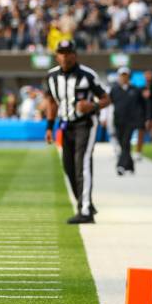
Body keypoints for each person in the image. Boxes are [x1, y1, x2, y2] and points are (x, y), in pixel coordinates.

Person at [44, 40, 111, 224]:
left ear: (75, 54)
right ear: (57, 55)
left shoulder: (87, 75)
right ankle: (85, 202)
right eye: (61, 53)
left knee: (82, 164)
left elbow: (106, 98)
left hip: (85, 124)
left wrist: (93, 105)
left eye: (68, 52)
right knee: (68, 166)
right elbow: (50, 102)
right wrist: (49, 127)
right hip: (65, 124)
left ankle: (86, 210)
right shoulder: (51, 76)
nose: (65, 56)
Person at [110, 67, 145, 175]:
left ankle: (120, 166)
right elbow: (109, 104)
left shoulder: (135, 90)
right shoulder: (114, 89)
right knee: (123, 144)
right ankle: (130, 166)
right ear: (119, 77)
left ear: (129, 76)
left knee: (126, 142)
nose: (124, 77)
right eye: (122, 75)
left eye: (126, 75)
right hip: (118, 121)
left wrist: (143, 119)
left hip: (131, 121)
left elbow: (142, 105)